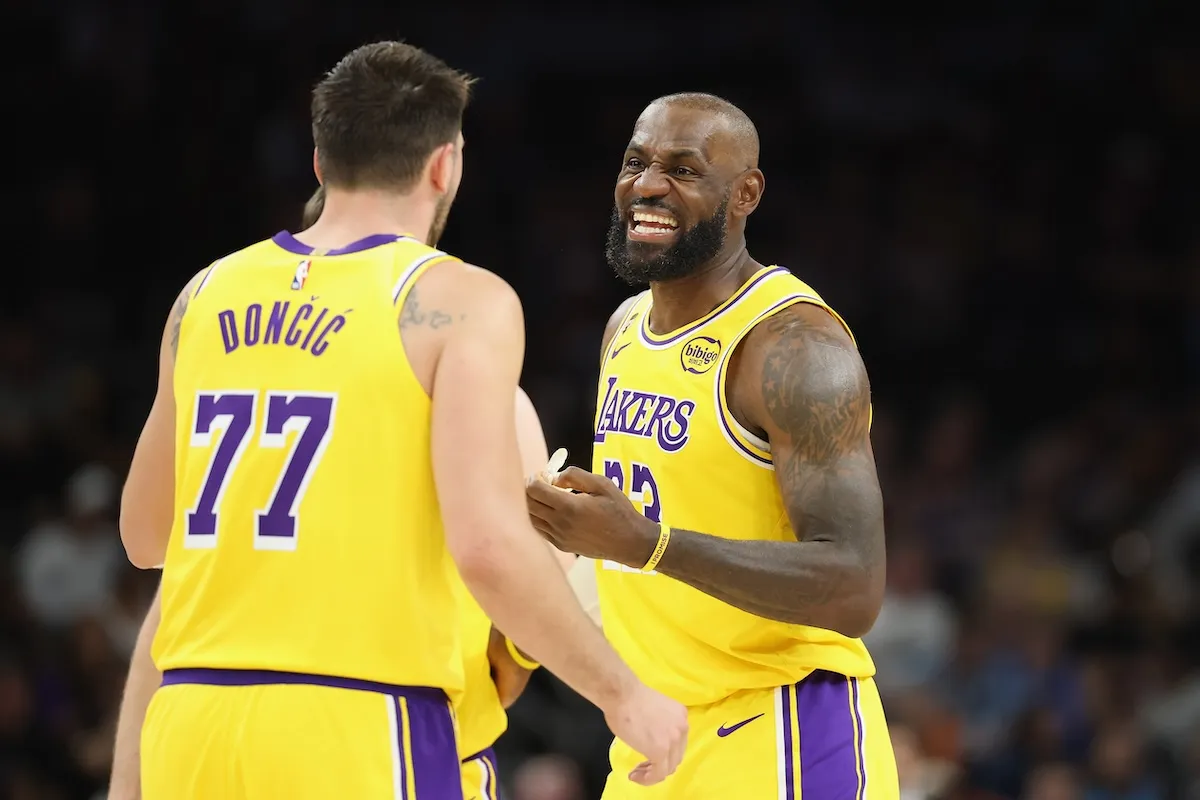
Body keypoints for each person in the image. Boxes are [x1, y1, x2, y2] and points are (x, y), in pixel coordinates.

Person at [118, 42, 686, 799]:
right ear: (444, 165)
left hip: (189, 725)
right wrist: (622, 693)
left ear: (319, 161)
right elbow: (486, 548)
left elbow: (145, 535)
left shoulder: (203, 293)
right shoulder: (455, 300)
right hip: (359, 725)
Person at [108, 187, 577, 800]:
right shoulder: (468, 387)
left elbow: (162, 592)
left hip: (201, 734)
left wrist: (125, 787)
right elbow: (529, 620)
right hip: (381, 732)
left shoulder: (220, 360)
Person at [526, 92, 900, 799]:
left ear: (745, 192)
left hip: (783, 731)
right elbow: (638, 553)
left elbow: (855, 586)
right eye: (636, 162)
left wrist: (647, 544)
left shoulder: (795, 347)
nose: (647, 186)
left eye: (683, 169)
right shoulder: (624, 328)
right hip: (654, 738)